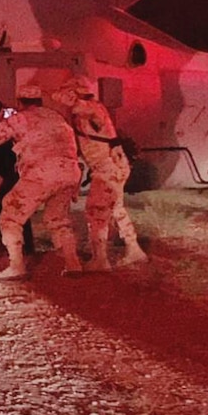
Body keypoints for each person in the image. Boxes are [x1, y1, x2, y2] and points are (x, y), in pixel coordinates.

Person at [0, 83, 83, 280]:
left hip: (42, 172)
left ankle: (16, 265)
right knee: (58, 219)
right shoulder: (56, 117)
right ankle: (73, 262)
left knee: (9, 214)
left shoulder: (22, 118)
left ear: (20, 102)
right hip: (70, 172)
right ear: (40, 101)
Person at [52, 75, 148, 271]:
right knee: (116, 209)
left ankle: (100, 259)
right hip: (113, 167)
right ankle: (134, 249)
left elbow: (71, 103)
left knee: (96, 212)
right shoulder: (93, 108)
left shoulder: (90, 107)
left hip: (107, 169)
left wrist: (57, 93)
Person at [0, 99, 35, 255]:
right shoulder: (3, 128)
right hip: (7, 173)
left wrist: (0, 176)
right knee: (12, 209)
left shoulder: (2, 130)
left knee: (10, 209)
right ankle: (21, 244)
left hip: (8, 174)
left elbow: (6, 156)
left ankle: (17, 246)